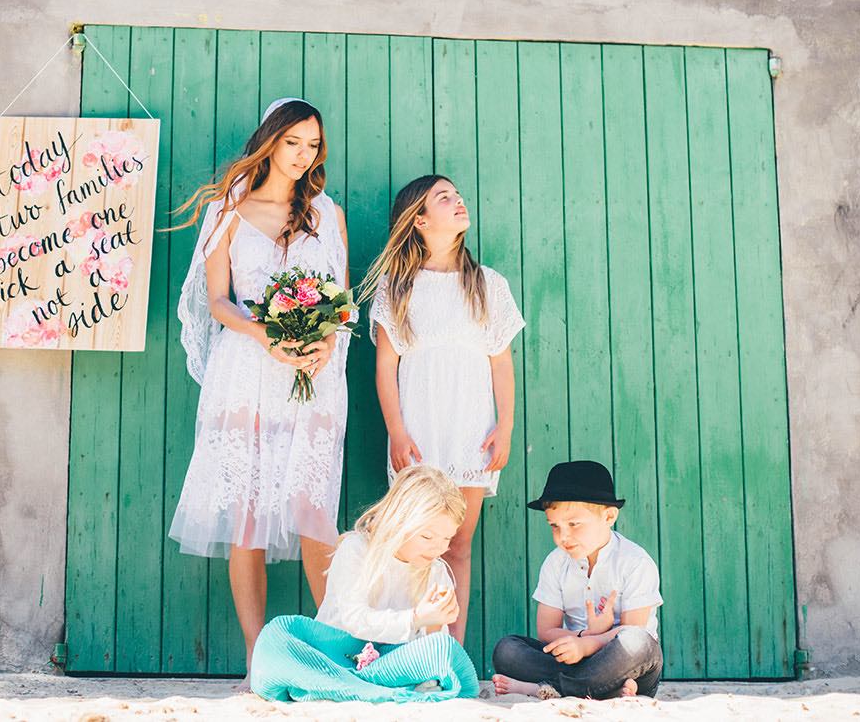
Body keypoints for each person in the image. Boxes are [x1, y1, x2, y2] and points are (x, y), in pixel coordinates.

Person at [168, 97, 351, 684]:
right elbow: (217, 300)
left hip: (313, 377)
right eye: (293, 141)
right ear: (270, 140)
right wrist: (267, 334)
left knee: (314, 513)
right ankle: (258, 659)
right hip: (247, 371)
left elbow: (342, 301)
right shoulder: (229, 210)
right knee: (247, 517)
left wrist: (325, 344)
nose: (302, 156)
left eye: (312, 145)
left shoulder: (328, 213)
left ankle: (335, 653)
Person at [362, 174, 524, 643]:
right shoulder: (397, 287)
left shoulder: (487, 284)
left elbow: (501, 364)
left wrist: (506, 426)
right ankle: (411, 648)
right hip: (419, 432)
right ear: (419, 218)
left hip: (471, 430)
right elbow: (385, 367)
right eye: (444, 198)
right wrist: (396, 429)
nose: (458, 202)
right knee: (415, 546)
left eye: (457, 195)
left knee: (456, 545)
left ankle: (449, 653)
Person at [250, 465, 480, 702]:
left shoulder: (435, 569)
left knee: (444, 648)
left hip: (390, 664)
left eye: (447, 538)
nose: (438, 548)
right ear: (400, 521)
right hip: (337, 657)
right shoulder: (356, 550)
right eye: (427, 537)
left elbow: (429, 647)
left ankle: (361, 689)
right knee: (277, 635)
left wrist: (435, 623)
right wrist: (416, 617)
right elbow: (354, 620)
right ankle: (363, 687)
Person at [491, 460, 664, 699]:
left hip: (626, 664)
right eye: (555, 526)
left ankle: (549, 688)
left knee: (636, 644)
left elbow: (633, 629)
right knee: (507, 650)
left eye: (574, 524)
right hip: (575, 657)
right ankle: (603, 690)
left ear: (609, 516)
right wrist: (581, 639)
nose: (563, 536)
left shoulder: (635, 562)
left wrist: (591, 644)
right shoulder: (555, 563)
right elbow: (547, 630)